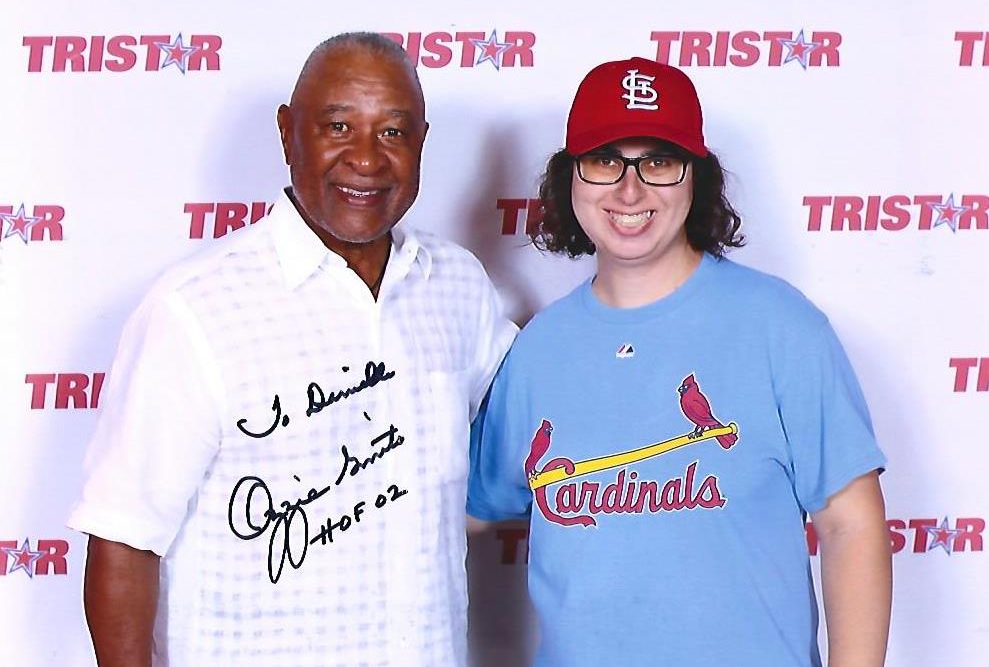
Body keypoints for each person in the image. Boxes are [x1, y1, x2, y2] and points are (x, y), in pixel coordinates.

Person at [68, 32, 517, 667]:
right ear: (288, 134)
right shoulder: (195, 308)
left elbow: (529, 418)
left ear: (421, 142)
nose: (366, 158)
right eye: (338, 126)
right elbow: (122, 538)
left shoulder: (459, 286)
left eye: (393, 132)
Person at [467, 57, 891, 666]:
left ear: (696, 179)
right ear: (570, 179)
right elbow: (465, 511)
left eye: (659, 163)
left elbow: (851, 525)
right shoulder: (537, 348)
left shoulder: (782, 328)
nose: (629, 189)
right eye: (605, 160)